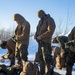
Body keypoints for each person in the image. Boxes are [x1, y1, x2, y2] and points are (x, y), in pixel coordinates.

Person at [34, 10, 56, 75]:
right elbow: (37, 30)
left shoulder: (50, 19)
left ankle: (48, 72)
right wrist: (36, 35)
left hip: (46, 42)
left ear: (43, 14)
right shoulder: (40, 21)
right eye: (38, 16)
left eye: (40, 16)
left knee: (47, 58)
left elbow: (50, 31)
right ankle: (42, 72)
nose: (39, 17)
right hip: (40, 42)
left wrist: (41, 36)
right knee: (40, 57)